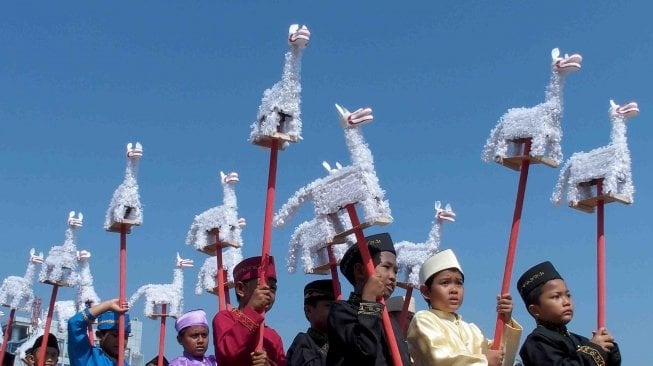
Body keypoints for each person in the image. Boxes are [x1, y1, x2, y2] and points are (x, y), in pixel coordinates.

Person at [407, 249, 522, 366]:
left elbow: (501, 358)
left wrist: (506, 320)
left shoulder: (473, 330)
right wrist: (484, 361)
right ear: (426, 291)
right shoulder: (424, 320)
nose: (454, 289)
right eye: (445, 283)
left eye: (459, 283)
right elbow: (438, 359)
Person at [326, 232, 412, 366]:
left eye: (395, 271)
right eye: (386, 267)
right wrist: (369, 299)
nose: (393, 276)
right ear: (360, 271)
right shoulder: (341, 312)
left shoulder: (391, 320)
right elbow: (365, 351)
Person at [516, 261, 621, 365]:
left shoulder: (581, 341)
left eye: (568, 295)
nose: (566, 302)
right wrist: (594, 350)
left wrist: (608, 348)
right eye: (556, 296)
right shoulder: (536, 342)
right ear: (535, 310)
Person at [212, 256, 286, 366]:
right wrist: (252, 309)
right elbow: (227, 352)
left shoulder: (274, 336)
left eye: (273, 288)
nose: (268, 293)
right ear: (241, 289)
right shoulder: (224, 318)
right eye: (261, 286)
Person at [67, 298, 131, 366]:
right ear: (99, 335)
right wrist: (108, 305)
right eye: (115, 335)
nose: (120, 341)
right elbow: (74, 323)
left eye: (125, 337)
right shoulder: (87, 357)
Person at [286, 279, 335, 366]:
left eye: (338, 306)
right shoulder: (303, 342)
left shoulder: (345, 342)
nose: (336, 311)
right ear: (308, 310)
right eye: (329, 306)